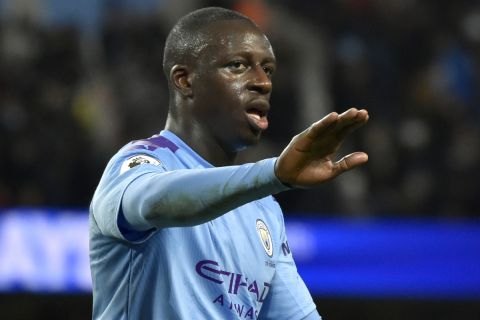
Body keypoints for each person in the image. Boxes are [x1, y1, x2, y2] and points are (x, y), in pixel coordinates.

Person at [89, 7, 369, 320]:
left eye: (268, 70)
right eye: (238, 65)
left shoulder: (264, 210)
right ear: (185, 80)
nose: (263, 83)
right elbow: (155, 203)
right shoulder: (139, 163)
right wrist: (274, 173)